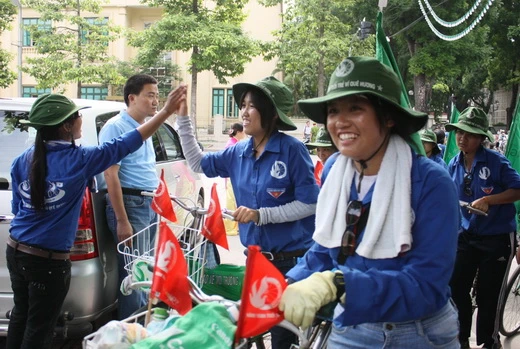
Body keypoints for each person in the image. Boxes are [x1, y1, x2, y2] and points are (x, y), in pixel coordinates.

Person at [278, 57, 461, 349]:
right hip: (351, 325)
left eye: (356, 108)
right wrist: (284, 288)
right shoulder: (336, 171)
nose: (340, 121)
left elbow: (426, 285)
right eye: (334, 110)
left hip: (417, 334)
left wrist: (339, 285)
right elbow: (327, 250)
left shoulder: (430, 182)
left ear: (388, 116)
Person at [7, 88, 186, 349]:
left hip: (16, 252)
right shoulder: (79, 159)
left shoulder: (22, 160)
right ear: (66, 127)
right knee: (39, 328)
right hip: (48, 263)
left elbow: (17, 208)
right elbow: (128, 142)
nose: (80, 119)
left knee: (21, 317)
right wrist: (167, 111)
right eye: (77, 116)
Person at [176, 76, 319, 349]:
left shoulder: (292, 150)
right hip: (254, 261)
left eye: (252, 106)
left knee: (282, 337)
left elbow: (310, 203)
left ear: (272, 114)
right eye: (243, 105)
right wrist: (183, 118)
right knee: (251, 329)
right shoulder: (238, 152)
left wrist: (260, 214)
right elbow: (197, 162)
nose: (244, 111)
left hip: (290, 263)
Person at [98, 74, 173, 319]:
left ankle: (142, 328)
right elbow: (110, 175)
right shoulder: (116, 127)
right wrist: (122, 220)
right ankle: (131, 333)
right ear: (132, 98)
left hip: (148, 203)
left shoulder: (144, 128)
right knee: (134, 277)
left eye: (157, 96)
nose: (155, 102)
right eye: (150, 95)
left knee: (145, 271)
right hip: (131, 204)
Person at [445, 107, 520, 349]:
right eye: (459, 132)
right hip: (466, 236)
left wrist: (490, 200)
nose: (462, 138)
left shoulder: (497, 162)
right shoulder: (453, 165)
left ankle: (489, 341)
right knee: (456, 288)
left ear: (481, 138)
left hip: (496, 238)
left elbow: (517, 189)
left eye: (469, 134)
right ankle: (461, 339)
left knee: (489, 296)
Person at [224, 122, 246, 236]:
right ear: (239, 132)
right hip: (233, 177)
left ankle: (233, 226)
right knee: (232, 202)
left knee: (234, 201)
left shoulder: (234, 143)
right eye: (243, 132)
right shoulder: (233, 145)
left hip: (233, 177)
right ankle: (230, 226)